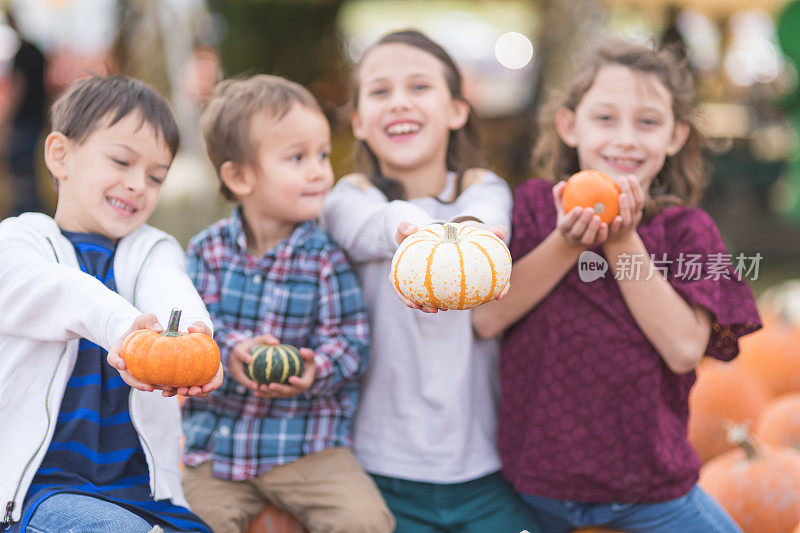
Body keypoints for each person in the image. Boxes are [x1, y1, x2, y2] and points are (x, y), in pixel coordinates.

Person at [471, 39, 762, 532]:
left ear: (675, 135)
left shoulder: (688, 230)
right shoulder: (534, 207)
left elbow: (684, 349)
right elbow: (487, 317)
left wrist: (623, 241)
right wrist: (566, 243)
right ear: (569, 125)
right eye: (605, 118)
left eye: (647, 122)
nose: (625, 138)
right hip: (534, 488)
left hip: (648, 491)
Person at [320, 29, 538, 533]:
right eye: (379, 92)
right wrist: (412, 233)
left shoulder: (480, 188)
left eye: (419, 87)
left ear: (457, 110)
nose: (399, 102)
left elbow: (486, 217)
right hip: (379, 471)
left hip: (483, 467)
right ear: (357, 122)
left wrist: (474, 241)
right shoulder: (348, 197)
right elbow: (366, 226)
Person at [0, 74, 223, 532]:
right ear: (60, 155)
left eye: (155, 176)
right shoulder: (20, 241)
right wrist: (125, 330)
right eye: (121, 161)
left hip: (143, 492)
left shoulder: (151, 249)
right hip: (40, 490)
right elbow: (58, 291)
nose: (137, 184)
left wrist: (198, 340)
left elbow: (170, 288)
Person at [180, 74, 394, 533]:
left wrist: (318, 369)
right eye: (297, 158)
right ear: (238, 176)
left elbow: (351, 341)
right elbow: (196, 330)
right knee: (190, 523)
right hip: (220, 447)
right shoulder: (208, 251)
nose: (319, 170)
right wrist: (230, 350)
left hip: (306, 446)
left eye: (321, 154)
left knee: (365, 521)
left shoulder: (325, 257)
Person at [5, 10, 46, 216]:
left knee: (21, 169)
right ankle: (33, 210)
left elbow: (18, 87)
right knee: (29, 168)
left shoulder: (22, 52)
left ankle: (25, 212)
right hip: (38, 116)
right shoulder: (38, 51)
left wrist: (8, 119)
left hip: (24, 119)